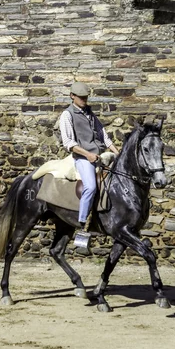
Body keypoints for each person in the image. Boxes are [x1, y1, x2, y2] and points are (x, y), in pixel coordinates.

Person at [59, 81, 119, 238]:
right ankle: (82, 222)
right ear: (72, 96)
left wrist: (117, 152)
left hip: (99, 156)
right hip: (83, 158)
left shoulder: (90, 114)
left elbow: (104, 136)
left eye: (86, 97)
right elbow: (68, 143)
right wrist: (88, 155)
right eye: (81, 97)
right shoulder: (67, 115)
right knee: (91, 187)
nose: (84, 100)